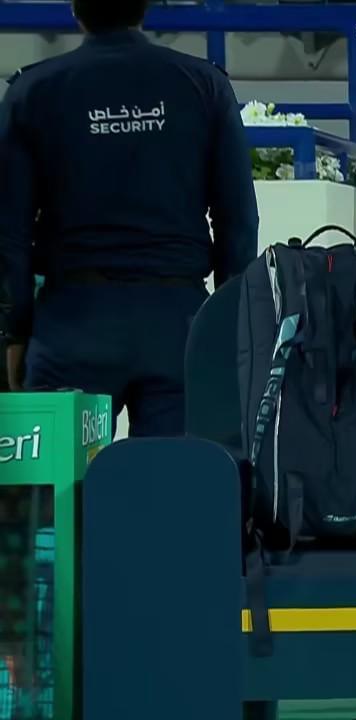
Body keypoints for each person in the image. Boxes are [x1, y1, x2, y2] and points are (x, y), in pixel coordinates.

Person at [0, 0, 257, 434]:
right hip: (178, 324)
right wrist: (227, 324)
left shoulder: (33, 90)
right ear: (144, 7)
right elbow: (238, 220)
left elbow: (9, 232)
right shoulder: (204, 84)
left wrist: (16, 331)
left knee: (59, 476)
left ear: (74, 9)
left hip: (70, 325)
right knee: (172, 475)